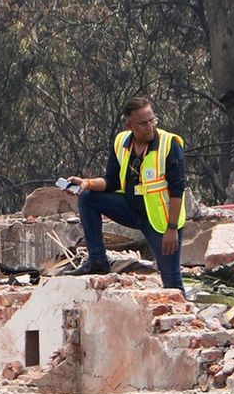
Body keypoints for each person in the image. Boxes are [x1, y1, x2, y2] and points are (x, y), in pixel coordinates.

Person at [66, 97, 187, 290]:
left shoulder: (169, 144)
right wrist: (86, 183)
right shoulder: (122, 142)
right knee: (88, 197)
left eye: (152, 120)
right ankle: (97, 260)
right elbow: (111, 182)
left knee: (171, 281)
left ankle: (182, 316)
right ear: (129, 125)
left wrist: (172, 229)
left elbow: (177, 189)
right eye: (143, 123)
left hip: (161, 221)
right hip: (131, 209)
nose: (150, 126)